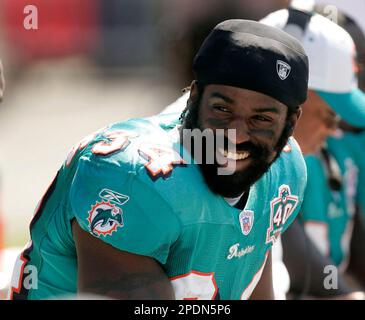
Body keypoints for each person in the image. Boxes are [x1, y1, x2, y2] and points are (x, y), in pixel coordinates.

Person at [9, 20, 309, 300]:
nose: (237, 134)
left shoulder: (285, 170)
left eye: (261, 119)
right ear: (193, 98)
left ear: (290, 123)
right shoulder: (131, 175)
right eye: (222, 109)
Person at [261, 4, 365, 299]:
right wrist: (343, 294)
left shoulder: (332, 145)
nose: (336, 128)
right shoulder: (222, 148)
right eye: (330, 114)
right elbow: (286, 239)